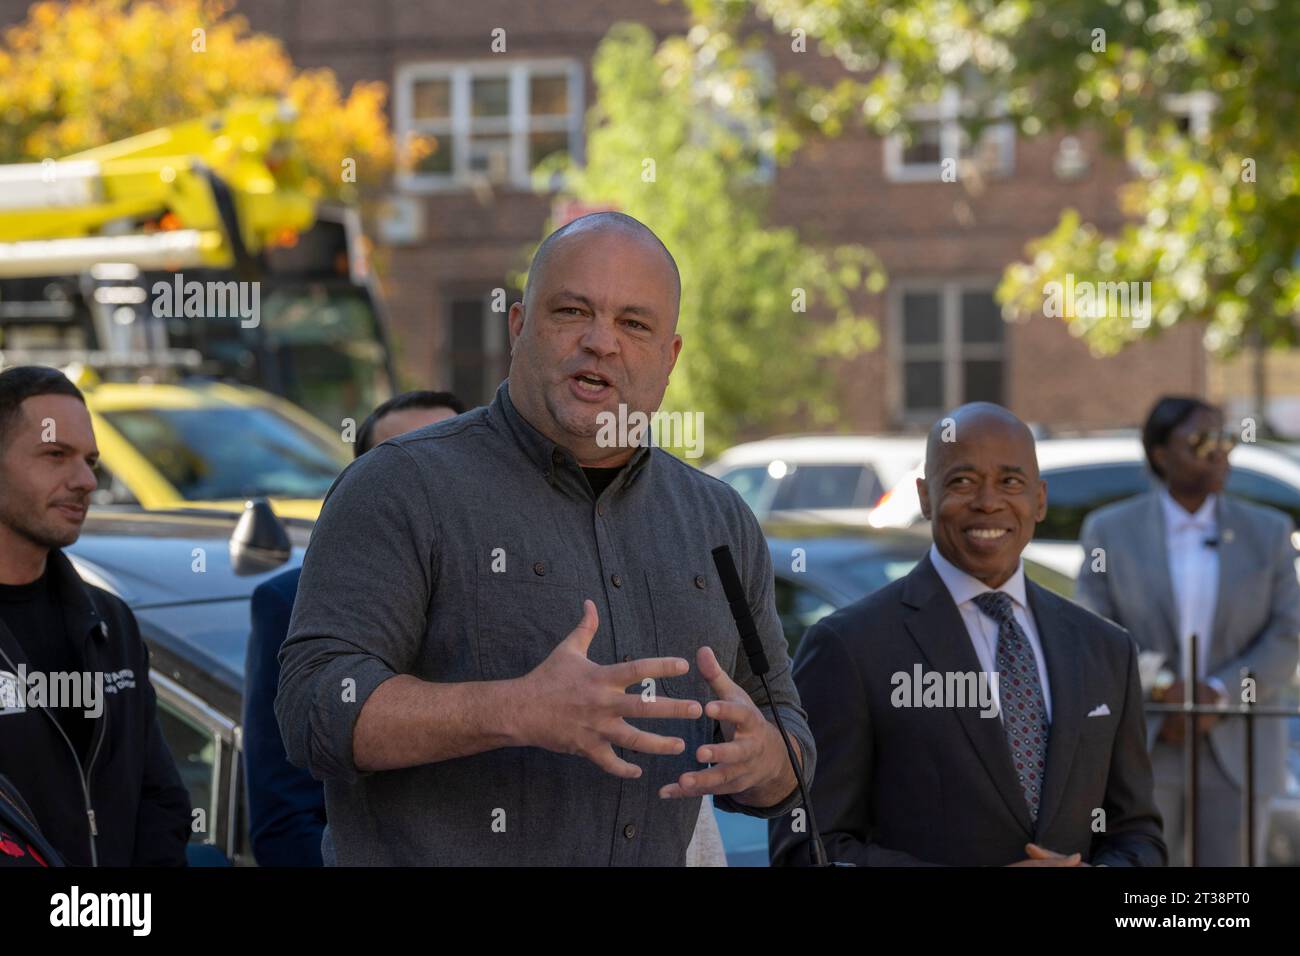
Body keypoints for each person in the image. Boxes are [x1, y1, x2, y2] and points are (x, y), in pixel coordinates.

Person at [276, 212, 814, 865]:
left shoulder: (719, 521)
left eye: (633, 324)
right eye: (572, 312)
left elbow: (789, 735)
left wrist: (764, 759)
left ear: (669, 358)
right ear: (518, 325)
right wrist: (514, 709)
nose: (601, 342)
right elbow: (313, 708)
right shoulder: (398, 487)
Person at [771, 402, 1165, 867]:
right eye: (962, 481)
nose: (988, 501)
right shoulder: (849, 647)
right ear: (925, 496)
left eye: (1010, 482)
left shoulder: (1105, 648)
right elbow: (807, 848)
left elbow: (1137, 837)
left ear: (1039, 499)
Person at [243, 390, 466, 866]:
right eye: (400, 464)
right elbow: (284, 818)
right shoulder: (290, 602)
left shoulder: (524, 584)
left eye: (446, 459)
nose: (424, 484)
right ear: (360, 484)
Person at [1076, 396, 1300, 866]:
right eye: (1200, 441)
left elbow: (1287, 633)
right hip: (1149, 738)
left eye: (1225, 438)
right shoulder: (1110, 531)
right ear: (1160, 454)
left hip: (1239, 744)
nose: (1219, 451)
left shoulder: (1270, 532)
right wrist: (1161, 686)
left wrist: (1218, 693)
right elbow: (1093, 630)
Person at [0, 366, 191, 866]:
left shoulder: (109, 621)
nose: (85, 481)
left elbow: (161, 801)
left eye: (91, 461)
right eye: (55, 455)